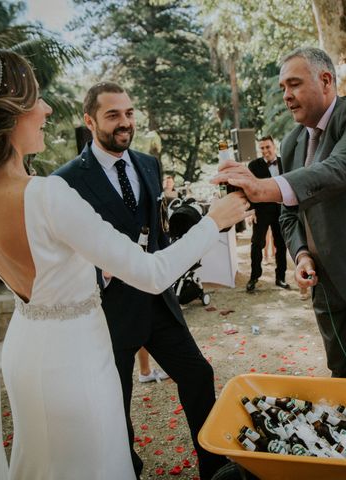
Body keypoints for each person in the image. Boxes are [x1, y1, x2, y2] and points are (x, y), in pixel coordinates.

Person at [0, 45, 250, 480]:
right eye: (34, 101)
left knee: (42, 462)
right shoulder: (47, 193)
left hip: (25, 349)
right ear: (8, 117)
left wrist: (82, 266)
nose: (45, 109)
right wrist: (214, 221)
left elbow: (2, 268)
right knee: (95, 463)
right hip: (74, 356)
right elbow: (153, 273)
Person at [214, 47, 346, 379]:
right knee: (344, 377)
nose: (286, 95)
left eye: (294, 84)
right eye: (283, 87)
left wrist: (263, 188)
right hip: (328, 285)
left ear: (325, 80)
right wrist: (300, 255)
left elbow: (339, 169)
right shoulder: (291, 142)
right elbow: (290, 214)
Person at [54, 82, 231, 479]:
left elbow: (157, 231)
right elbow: (64, 251)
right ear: (89, 120)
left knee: (198, 374)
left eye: (129, 113)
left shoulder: (148, 165)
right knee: (116, 402)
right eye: (113, 115)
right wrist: (95, 272)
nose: (125, 123)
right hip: (110, 311)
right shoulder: (65, 181)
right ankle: (127, 470)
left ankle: (215, 470)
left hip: (157, 303)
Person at [246, 135, 289, 292]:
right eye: (262, 148)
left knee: (281, 245)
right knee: (257, 245)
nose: (265, 151)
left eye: (267, 147)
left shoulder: (285, 162)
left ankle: (281, 278)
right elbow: (249, 190)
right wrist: (251, 210)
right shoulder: (253, 166)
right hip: (261, 211)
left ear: (274, 146)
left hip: (282, 211)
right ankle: (254, 278)